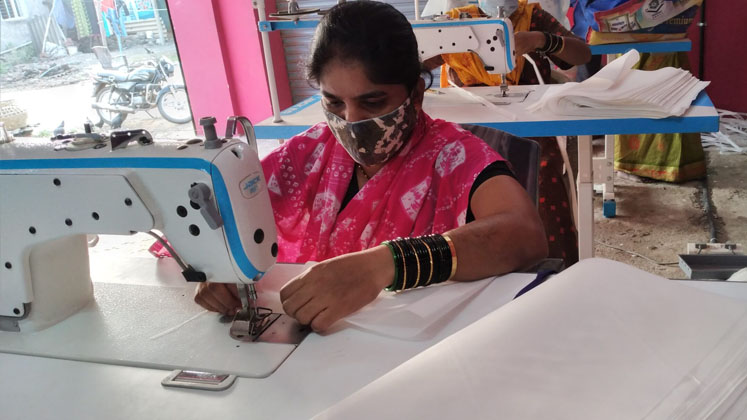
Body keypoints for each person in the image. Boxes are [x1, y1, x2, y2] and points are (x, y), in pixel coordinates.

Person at [194, 1, 547, 332]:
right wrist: (219, 263)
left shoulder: (454, 157)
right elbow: (227, 215)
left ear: (416, 95)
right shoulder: (307, 154)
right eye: (334, 102)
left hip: (412, 349)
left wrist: (385, 264)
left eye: (373, 102)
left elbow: (525, 235)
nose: (351, 120)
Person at [424, 0, 591, 267]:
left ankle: (554, 268)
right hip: (470, 134)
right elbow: (421, 59)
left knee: (541, 176)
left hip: (531, 131)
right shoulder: (456, 23)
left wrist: (541, 40)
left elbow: (582, 54)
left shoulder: (533, 17)